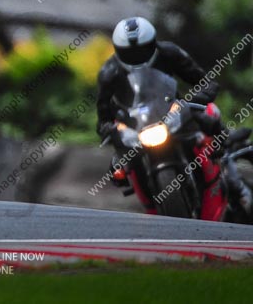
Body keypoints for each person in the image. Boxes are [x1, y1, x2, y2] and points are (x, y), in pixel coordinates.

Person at [96, 16, 252, 215]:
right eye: (130, 52)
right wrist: (108, 128)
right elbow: (103, 114)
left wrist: (198, 97)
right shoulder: (109, 72)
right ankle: (150, 203)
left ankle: (231, 170)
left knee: (209, 114)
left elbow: (205, 81)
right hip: (138, 126)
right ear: (119, 51)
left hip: (172, 113)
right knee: (119, 164)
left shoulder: (168, 53)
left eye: (142, 49)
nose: (137, 56)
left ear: (152, 43)